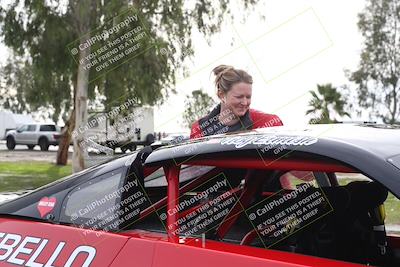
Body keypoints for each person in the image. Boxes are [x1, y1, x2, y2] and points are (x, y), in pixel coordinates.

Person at [190, 65, 283, 139]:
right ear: (221, 95)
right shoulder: (199, 129)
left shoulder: (269, 124)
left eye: (248, 97)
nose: (245, 102)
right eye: (239, 97)